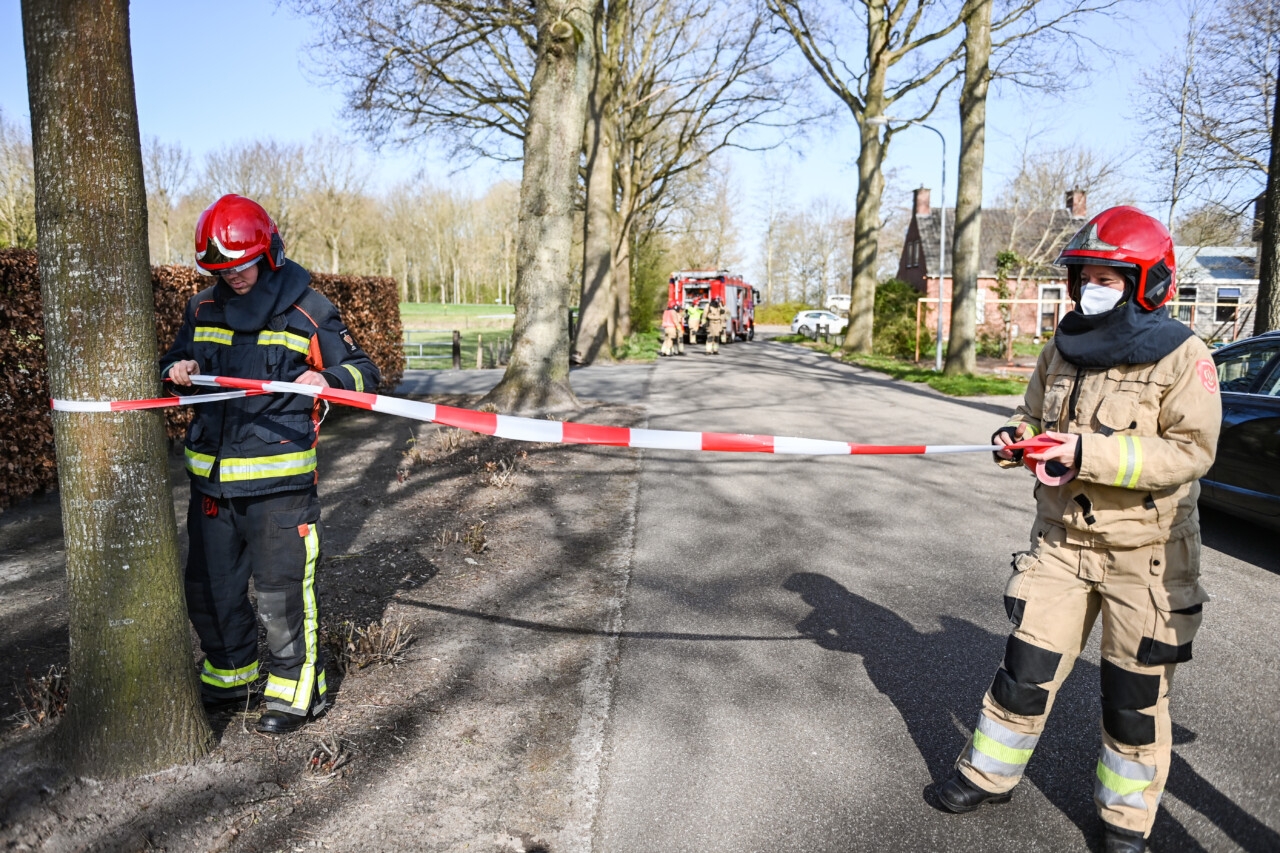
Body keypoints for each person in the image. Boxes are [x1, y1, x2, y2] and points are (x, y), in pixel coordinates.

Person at [935, 206, 1221, 853]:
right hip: (1062, 546)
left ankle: (1125, 818)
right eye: (1085, 272)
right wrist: (1015, 438)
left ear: (1148, 283)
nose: (1092, 284)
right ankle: (989, 772)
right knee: (1025, 667)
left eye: (1109, 275)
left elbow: (1191, 451)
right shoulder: (1062, 346)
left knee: (1132, 698)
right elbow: (1031, 412)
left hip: (1145, 558)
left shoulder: (1183, 357)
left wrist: (1088, 454)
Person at [160, 194, 381, 734]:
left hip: (280, 488)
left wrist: (327, 379)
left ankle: (298, 689)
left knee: (283, 593)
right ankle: (231, 675)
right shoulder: (200, 309)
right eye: (219, 270)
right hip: (211, 486)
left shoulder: (309, 309)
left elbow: (365, 373)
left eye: (239, 266)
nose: (231, 278)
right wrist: (178, 367)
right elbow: (170, 364)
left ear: (269, 251)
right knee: (210, 590)